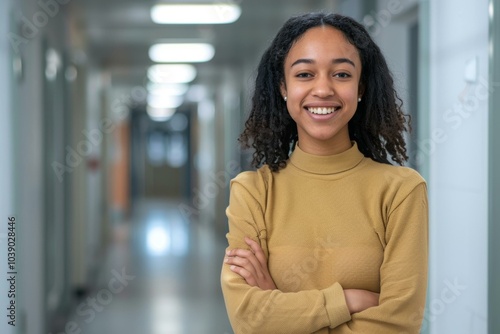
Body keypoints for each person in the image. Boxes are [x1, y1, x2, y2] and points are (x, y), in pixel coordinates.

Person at [221, 12, 428, 334]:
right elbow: (249, 319)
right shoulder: (253, 191)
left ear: (361, 87)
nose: (323, 89)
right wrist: (348, 300)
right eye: (304, 74)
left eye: (342, 74)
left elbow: (400, 322)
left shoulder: (400, 191)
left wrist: (277, 303)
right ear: (283, 88)